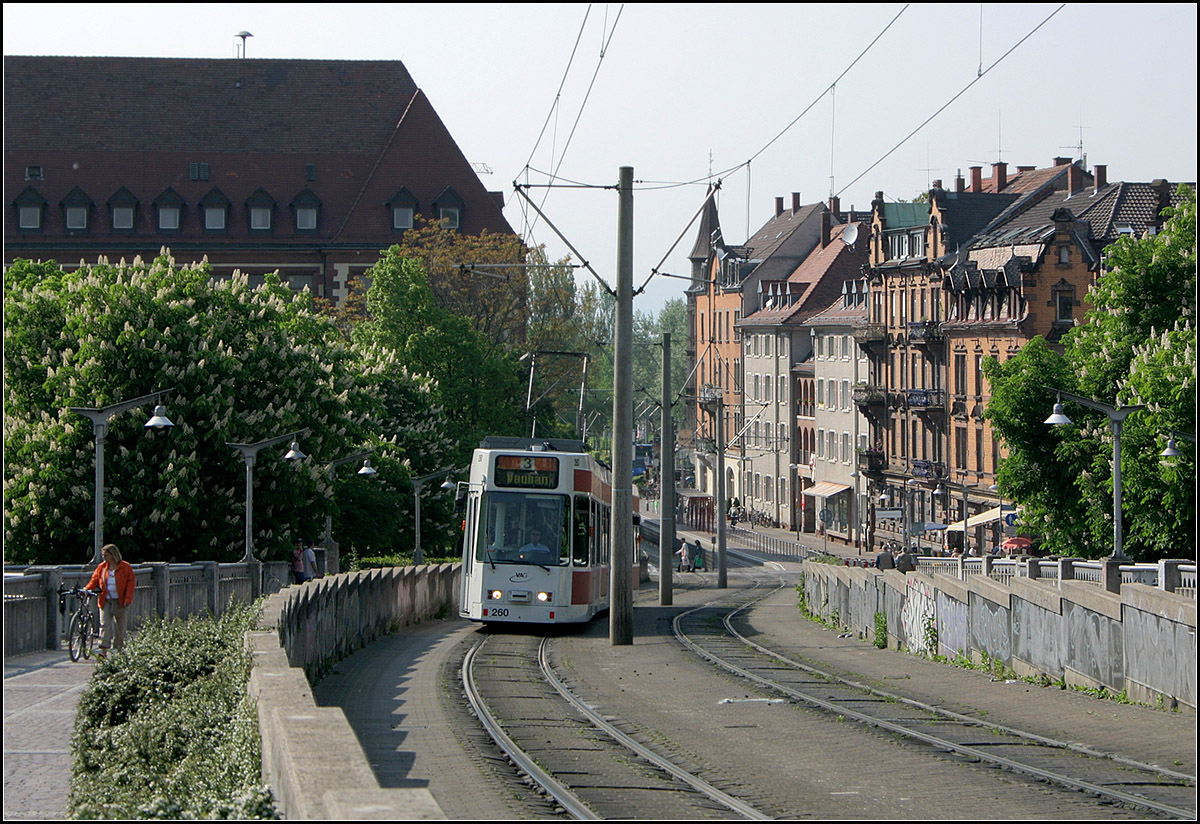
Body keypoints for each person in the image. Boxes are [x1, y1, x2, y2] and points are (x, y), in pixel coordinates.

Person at [84, 543, 135, 658]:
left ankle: (119, 650)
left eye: (106, 555)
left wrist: (128, 598)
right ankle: (104, 651)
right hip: (105, 600)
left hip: (120, 601)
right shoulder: (102, 567)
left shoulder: (125, 567)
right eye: (103, 555)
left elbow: (130, 584)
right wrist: (86, 589)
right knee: (105, 624)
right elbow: (94, 580)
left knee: (120, 627)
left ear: (113, 555)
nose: (104, 557)